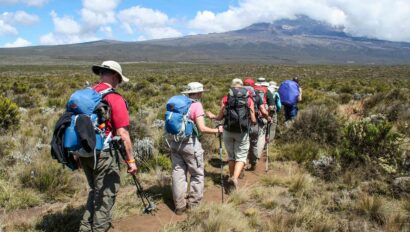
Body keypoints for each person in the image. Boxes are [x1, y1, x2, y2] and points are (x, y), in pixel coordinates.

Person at [79, 61, 137, 232]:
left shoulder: (87, 94)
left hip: (84, 152)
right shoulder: (114, 98)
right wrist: (131, 160)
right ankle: (99, 228)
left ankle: (85, 228)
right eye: (119, 79)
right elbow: (123, 134)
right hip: (104, 155)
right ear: (114, 76)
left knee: (94, 190)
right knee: (105, 195)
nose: (119, 82)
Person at [170, 82, 223, 215]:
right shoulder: (196, 105)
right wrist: (217, 130)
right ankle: (194, 204)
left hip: (175, 142)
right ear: (198, 93)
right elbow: (202, 129)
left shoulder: (177, 103)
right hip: (190, 144)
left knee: (178, 174)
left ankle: (179, 206)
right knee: (197, 173)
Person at [207, 78, 256, 191]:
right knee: (241, 156)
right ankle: (234, 178)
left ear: (231, 87)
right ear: (242, 87)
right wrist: (250, 121)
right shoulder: (248, 100)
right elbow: (253, 119)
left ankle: (230, 177)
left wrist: (212, 116)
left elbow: (220, 117)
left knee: (231, 156)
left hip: (227, 131)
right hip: (242, 132)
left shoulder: (226, 99)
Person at [246, 78, 272, 171]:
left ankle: (241, 164)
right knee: (253, 143)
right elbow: (263, 111)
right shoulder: (256, 96)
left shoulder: (238, 96)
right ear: (253, 86)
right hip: (254, 123)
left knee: (242, 144)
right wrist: (268, 118)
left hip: (241, 124)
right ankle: (253, 163)